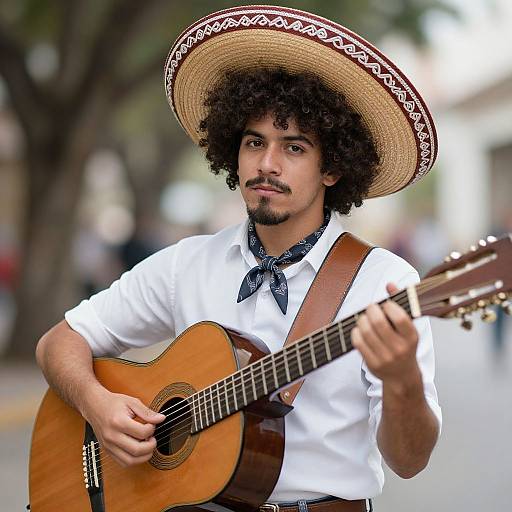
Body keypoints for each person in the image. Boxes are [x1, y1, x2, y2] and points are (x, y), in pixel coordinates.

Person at [36, 5, 441, 511]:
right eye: (255, 142)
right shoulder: (187, 264)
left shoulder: (385, 283)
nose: (267, 164)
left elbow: (409, 461)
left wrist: (401, 380)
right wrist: (98, 406)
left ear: (333, 167)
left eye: (294, 147)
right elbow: (59, 341)